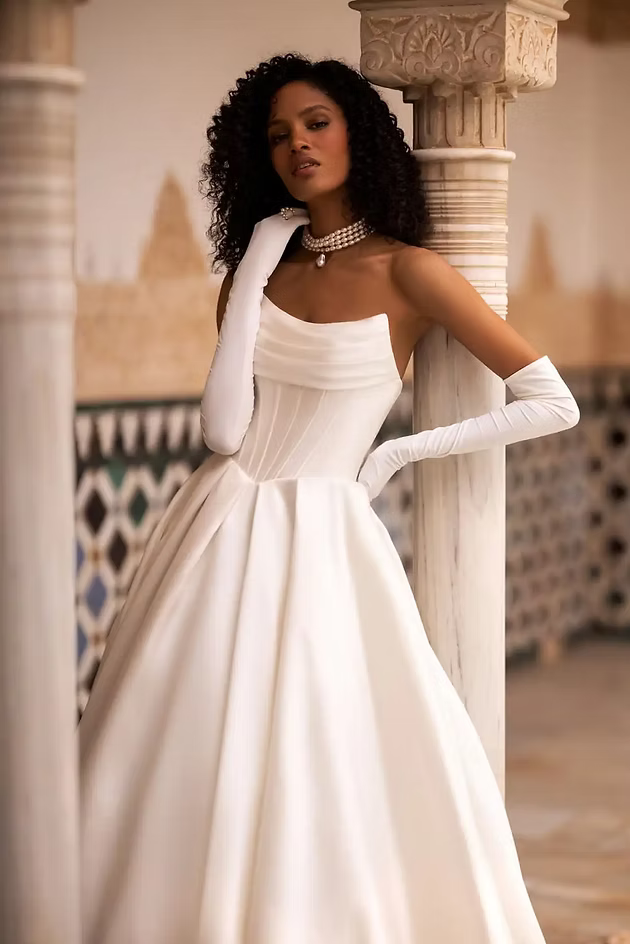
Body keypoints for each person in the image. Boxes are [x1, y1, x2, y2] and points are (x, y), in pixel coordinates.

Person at [79, 53, 579, 944]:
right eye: (277, 135)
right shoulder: (254, 273)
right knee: (182, 749)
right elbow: (225, 429)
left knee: (322, 747)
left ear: (357, 130)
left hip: (327, 539)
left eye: (316, 122)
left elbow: (554, 402)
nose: (298, 145)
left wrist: (395, 457)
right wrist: (260, 255)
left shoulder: (410, 273)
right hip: (218, 523)